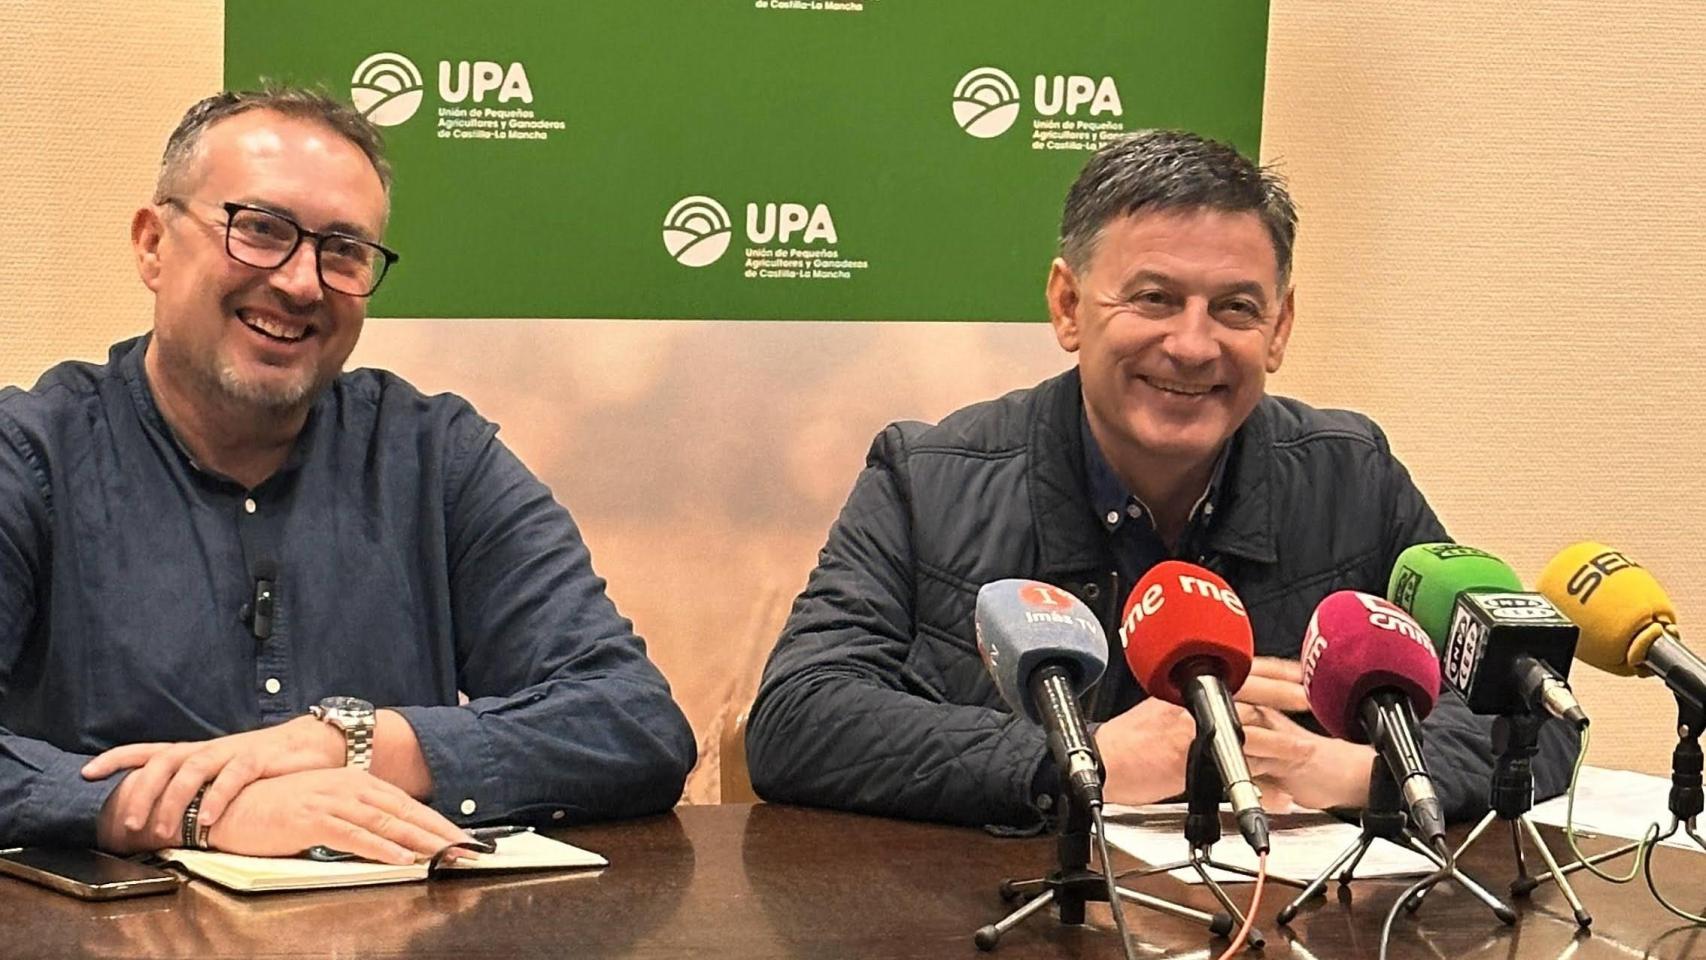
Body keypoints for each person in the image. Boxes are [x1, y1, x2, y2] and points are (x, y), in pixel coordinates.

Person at [746, 129, 1575, 828]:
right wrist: (1083, 757)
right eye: (1153, 298)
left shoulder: (1351, 477)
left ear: (1280, 328)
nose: (1192, 345)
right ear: (1069, 307)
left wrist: (1361, 773)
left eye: (1236, 309)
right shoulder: (926, 481)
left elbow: (1534, 712)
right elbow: (797, 719)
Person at [0, 87, 695, 861]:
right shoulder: (31, 458)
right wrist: (186, 810)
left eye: (343, 251)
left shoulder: (437, 459)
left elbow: (632, 721)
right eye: (259, 230)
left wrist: (355, 743)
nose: (302, 282)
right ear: (153, 246)